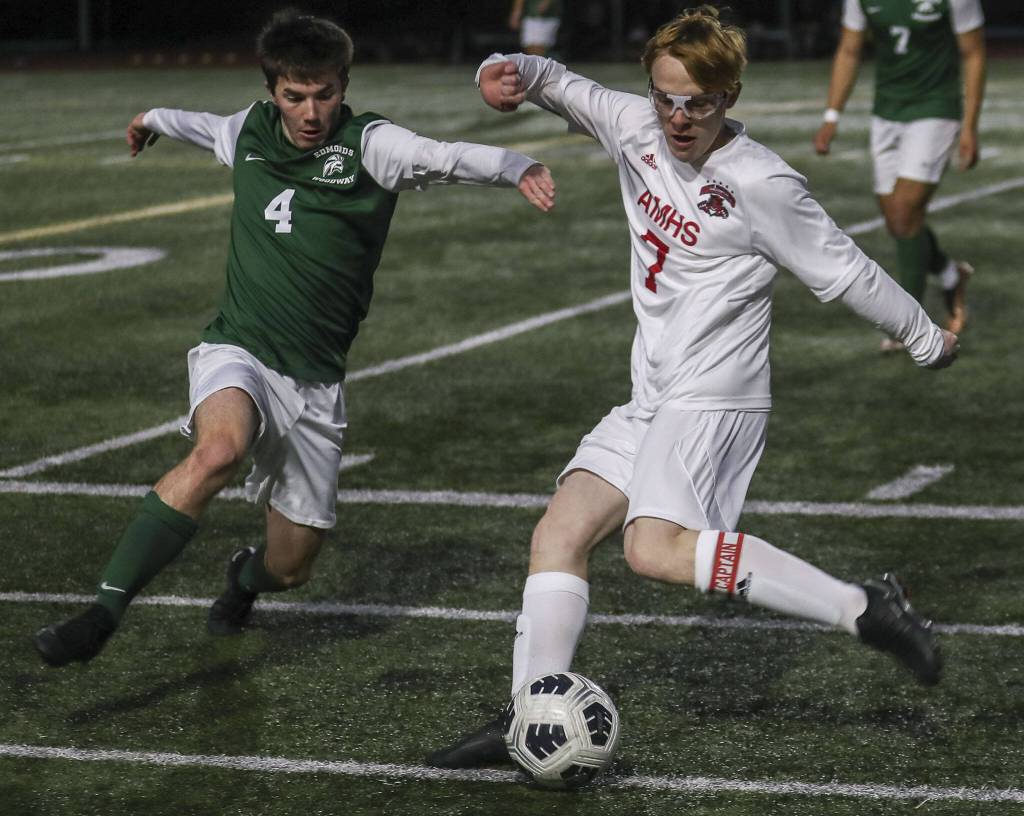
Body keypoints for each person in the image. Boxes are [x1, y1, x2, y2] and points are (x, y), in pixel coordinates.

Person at [425, 6, 959, 769]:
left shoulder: (761, 182)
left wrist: (921, 335)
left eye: (699, 104)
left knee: (653, 549)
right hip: (654, 392)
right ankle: (529, 720)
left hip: (718, 394)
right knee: (559, 534)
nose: (678, 119)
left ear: (730, 96)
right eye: (665, 99)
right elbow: (550, 79)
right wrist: (500, 72)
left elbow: (844, 269)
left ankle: (862, 607)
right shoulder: (633, 126)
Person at [32, 9, 555, 667]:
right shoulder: (247, 130)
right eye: (295, 96)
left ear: (343, 84)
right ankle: (102, 614)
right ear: (272, 90)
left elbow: (442, 157)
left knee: (290, 568)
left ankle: (243, 578)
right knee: (219, 450)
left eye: (326, 93)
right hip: (239, 349)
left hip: (315, 383)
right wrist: (149, 118)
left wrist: (516, 164)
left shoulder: (370, 144)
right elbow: (192, 123)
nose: (311, 111)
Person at [813, 0, 985, 351]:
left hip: (937, 107)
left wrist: (969, 126)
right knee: (897, 221)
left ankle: (908, 326)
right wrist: (832, 116)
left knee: (906, 212)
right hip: (887, 110)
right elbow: (849, 49)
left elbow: (974, 53)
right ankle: (951, 274)